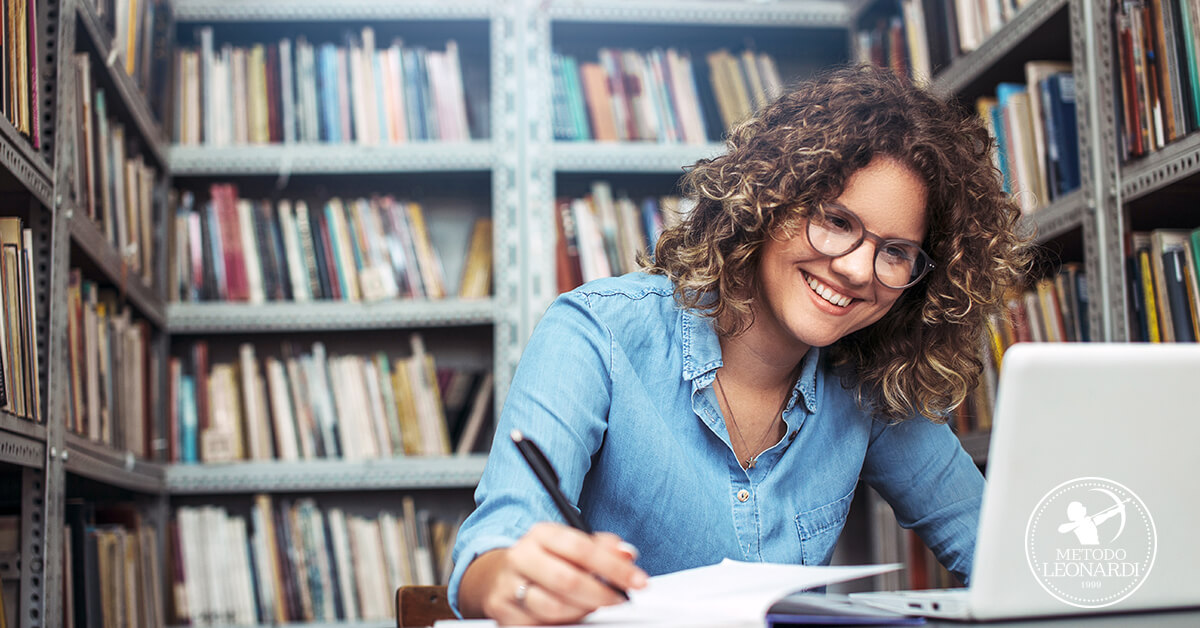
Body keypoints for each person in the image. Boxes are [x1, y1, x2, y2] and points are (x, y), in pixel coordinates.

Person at [450, 63, 1032, 624]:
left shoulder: (869, 382)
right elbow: (491, 553)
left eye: (897, 252)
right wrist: (513, 579)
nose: (858, 269)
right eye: (836, 220)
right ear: (769, 201)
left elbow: (1001, 558)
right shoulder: (596, 333)